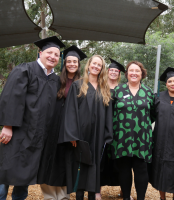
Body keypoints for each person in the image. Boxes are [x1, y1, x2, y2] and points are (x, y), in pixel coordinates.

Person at [0, 36, 65, 200]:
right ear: (40, 53)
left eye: (56, 55)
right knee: (5, 171)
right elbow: (11, 98)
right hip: (17, 132)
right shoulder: (25, 70)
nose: (52, 56)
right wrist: (7, 126)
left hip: (36, 136)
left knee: (25, 174)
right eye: (49, 52)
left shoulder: (56, 80)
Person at [60, 55, 113, 200]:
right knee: (80, 167)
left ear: (102, 69)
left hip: (98, 134)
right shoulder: (78, 85)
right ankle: (79, 196)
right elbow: (70, 110)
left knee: (94, 167)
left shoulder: (104, 87)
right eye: (94, 63)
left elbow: (108, 112)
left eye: (99, 65)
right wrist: (72, 135)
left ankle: (91, 196)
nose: (96, 66)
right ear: (88, 65)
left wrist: (107, 134)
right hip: (81, 135)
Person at [37, 45, 87, 200]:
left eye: (75, 62)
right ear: (64, 64)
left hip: (71, 129)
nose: (72, 64)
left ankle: (64, 196)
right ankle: (50, 196)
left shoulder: (84, 84)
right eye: (68, 61)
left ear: (79, 65)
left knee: (67, 162)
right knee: (49, 160)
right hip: (53, 126)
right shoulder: (56, 80)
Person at [111, 61, 155, 200]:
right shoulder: (118, 90)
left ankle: (141, 198)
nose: (134, 73)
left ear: (142, 74)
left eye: (137, 71)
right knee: (124, 170)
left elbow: (152, 114)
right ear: (126, 74)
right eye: (131, 70)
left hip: (142, 138)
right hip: (122, 138)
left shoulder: (148, 92)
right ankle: (126, 197)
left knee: (141, 169)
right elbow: (111, 113)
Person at [150, 67, 174, 200]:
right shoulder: (158, 97)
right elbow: (151, 115)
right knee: (160, 168)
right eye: (170, 81)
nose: (173, 83)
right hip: (160, 140)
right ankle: (162, 198)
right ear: (166, 84)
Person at [97, 58, 128, 200]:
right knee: (100, 159)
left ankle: (124, 190)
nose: (114, 72)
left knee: (122, 161)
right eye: (112, 70)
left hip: (120, 129)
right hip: (102, 128)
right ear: (107, 71)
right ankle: (97, 190)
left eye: (116, 71)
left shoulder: (123, 89)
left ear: (119, 74)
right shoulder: (100, 86)